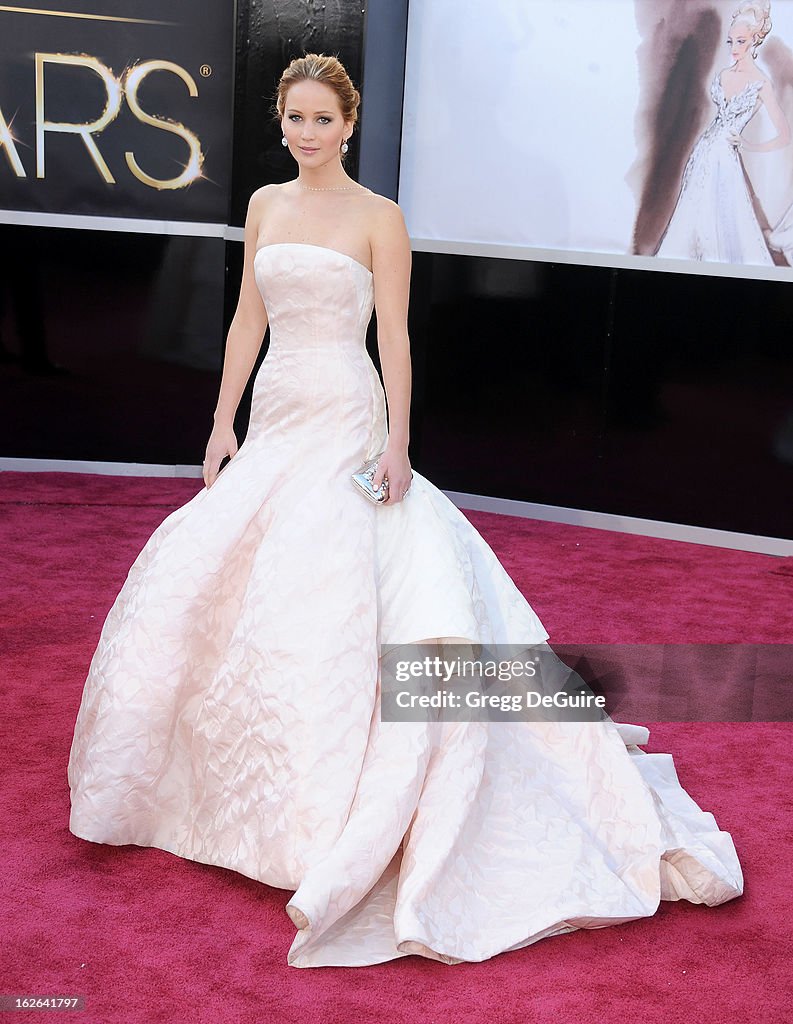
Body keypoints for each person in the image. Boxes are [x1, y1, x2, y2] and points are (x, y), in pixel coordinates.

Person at [68, 52, 744, 969]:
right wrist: (221, 421)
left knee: (340, 568)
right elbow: (243, 324)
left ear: (349, 125)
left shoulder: (380, 218)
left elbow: (396, 338)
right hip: (276, 410)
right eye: (293, 119)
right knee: (225, 561)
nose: (306, 133)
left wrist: (396, 443)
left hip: (346, 410)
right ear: (282, 124)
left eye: (321, 119)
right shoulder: (266, 206)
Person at [655, 0, 790, 265]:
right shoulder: (724, 74)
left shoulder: (762, 83)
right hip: (702, 152)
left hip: (725, 159)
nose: (735, 48)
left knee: (725, 220)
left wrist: (749, 145)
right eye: (731, 42)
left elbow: (785, 135)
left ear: (754, 41)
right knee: (691, 213)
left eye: (741, 41)